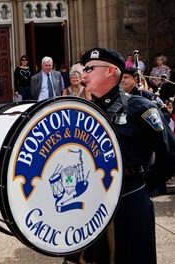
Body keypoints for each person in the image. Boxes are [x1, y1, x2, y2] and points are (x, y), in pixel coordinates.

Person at [65, 48, 175, 264]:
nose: (83, 74)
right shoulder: (85, 111)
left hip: (129, 200)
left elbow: (169, 155)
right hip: (91, 202)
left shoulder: (140, 108)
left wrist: (141, 188)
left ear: (110, 71)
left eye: (89, 69)